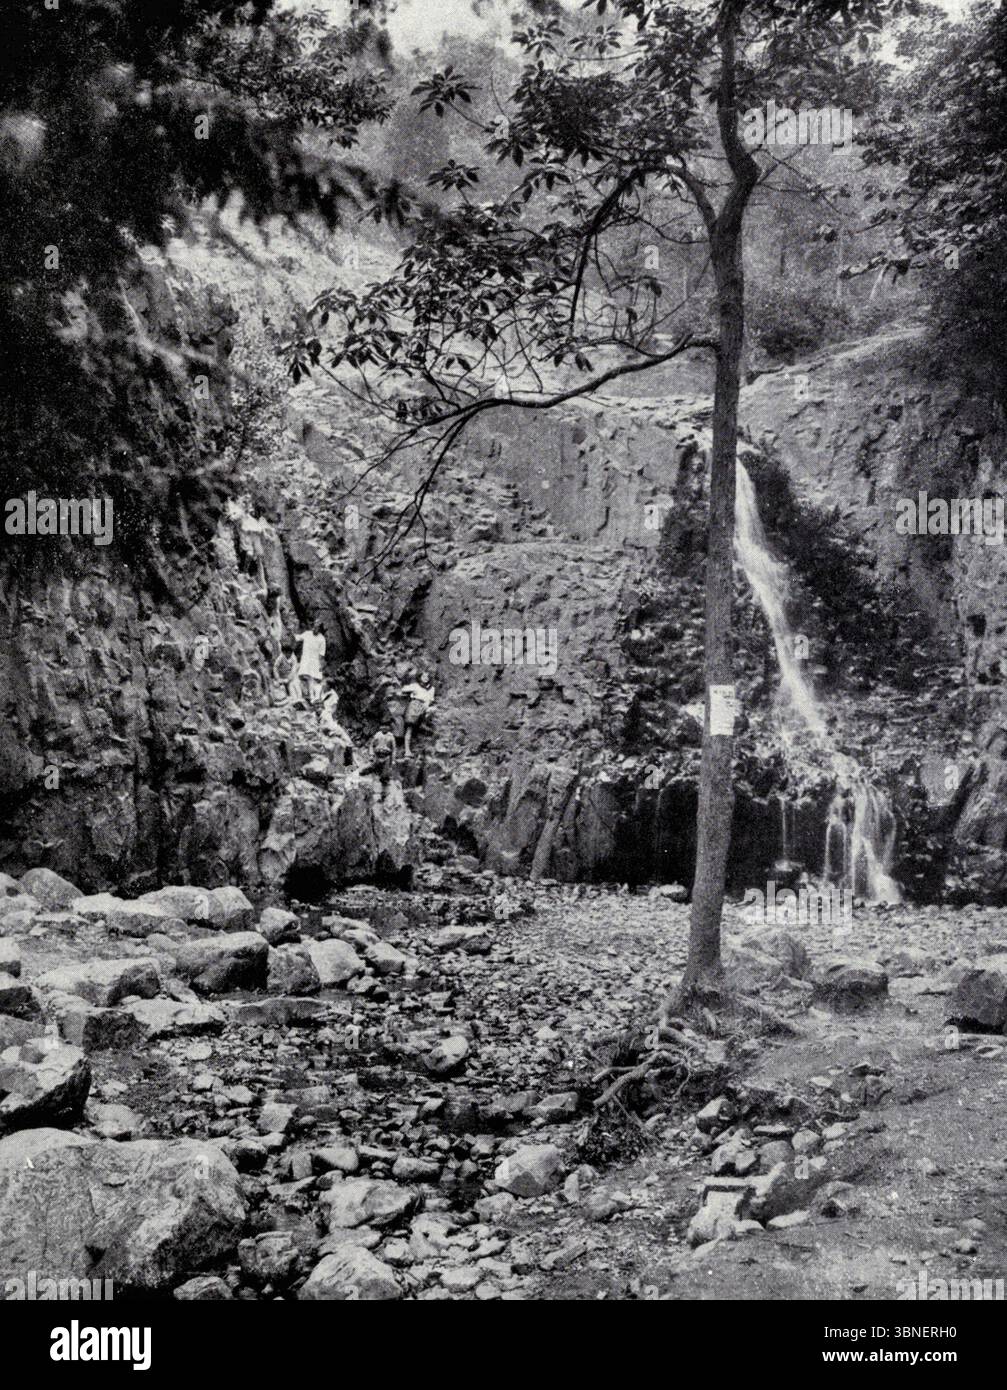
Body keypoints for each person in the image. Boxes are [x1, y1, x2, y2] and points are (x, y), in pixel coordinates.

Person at [399, 671, 435, 757]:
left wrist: (426, 705)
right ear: (420, 677)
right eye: (424, 676)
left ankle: (423, 723)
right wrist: (408, 692)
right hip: (414, 705)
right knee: (409, 728)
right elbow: (403, 689)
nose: (425, 678)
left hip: (424, 707)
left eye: (427, 677)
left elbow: (430, 700)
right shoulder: (415, 686)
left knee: (432, 710)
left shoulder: (431, 688)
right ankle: (407, 751)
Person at [320, 689, 354, 767]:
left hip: (339, 738)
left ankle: (346, 764)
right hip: (332, 734)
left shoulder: (328, 716)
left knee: (342, 745)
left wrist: (330, 732)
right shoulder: (325, 715)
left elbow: (331, 729)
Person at [296, 628, 326, 705]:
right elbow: (297, 638)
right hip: (306, 660)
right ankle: (309, 698)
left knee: (315, 680)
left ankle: (317, 698)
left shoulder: (322, 639)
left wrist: (320, 666)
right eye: (314, 627)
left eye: (317, 627)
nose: (315, 629)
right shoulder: (307, 633)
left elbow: (321, 654)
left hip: (315, 661)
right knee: (307, 679)